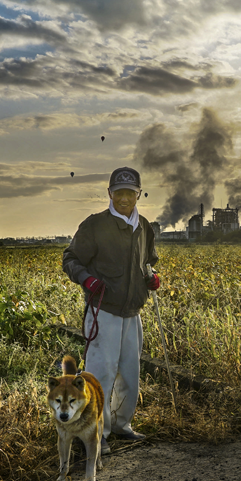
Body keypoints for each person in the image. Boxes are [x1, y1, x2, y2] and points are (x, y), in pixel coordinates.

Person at [62, 166, 160, 455]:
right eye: (119, 192)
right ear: (110, 193)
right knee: (101, 374)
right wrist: (86, 278)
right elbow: (71, 259)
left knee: (130, 372)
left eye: (130, 192)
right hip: (103, 310)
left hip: (132, 311)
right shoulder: (95, 225)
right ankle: (93, 433)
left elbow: (148, 260)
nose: (124, 198)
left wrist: (150, 278)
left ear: (138, 194)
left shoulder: (144, 226)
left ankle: (119, 424)